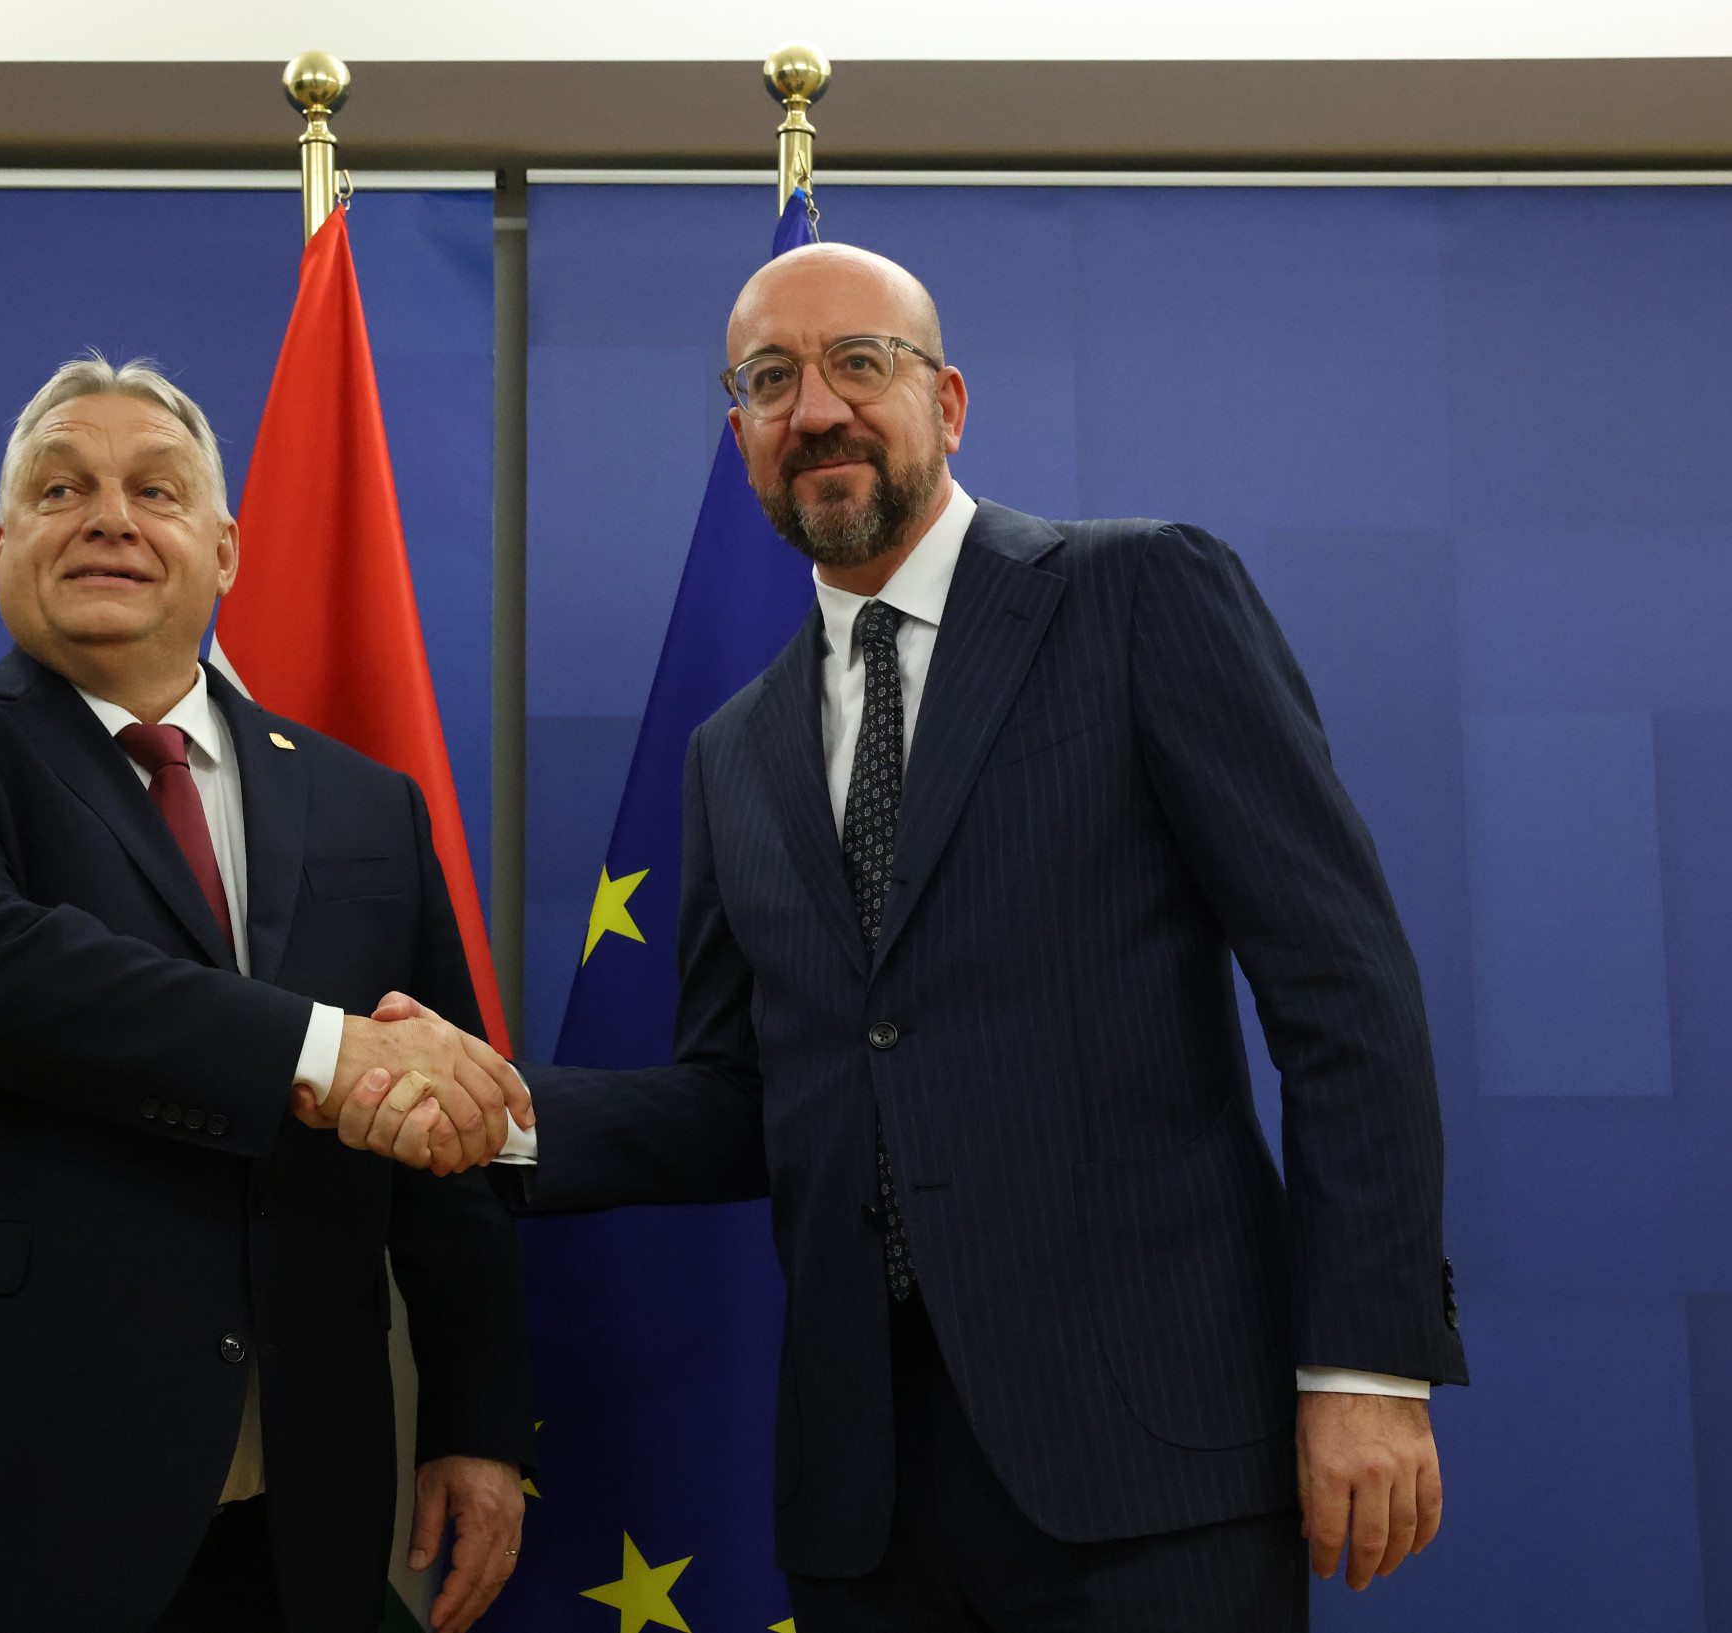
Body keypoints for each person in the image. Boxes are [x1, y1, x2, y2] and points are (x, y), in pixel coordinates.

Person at [409, 243, 1470, 1629]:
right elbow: (741, 1101)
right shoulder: (731, 754)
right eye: (769, 381)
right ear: (740, 432)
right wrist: (488, 1115)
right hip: (868, 1504)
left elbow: (1344, 989)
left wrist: (1365, 1362)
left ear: (948, 402)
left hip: (1154, 1464)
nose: (816, 410)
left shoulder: (1139, 595)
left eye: (859, 363)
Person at [0, 356, 536, 1633]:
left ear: (225, 550)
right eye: (62, 489)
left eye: (155, 491)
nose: (109, 516)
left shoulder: (366, 803)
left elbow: (443, 1139)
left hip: (289, 1525)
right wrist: (325, 1052)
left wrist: (476, 1417)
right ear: (4, 543)